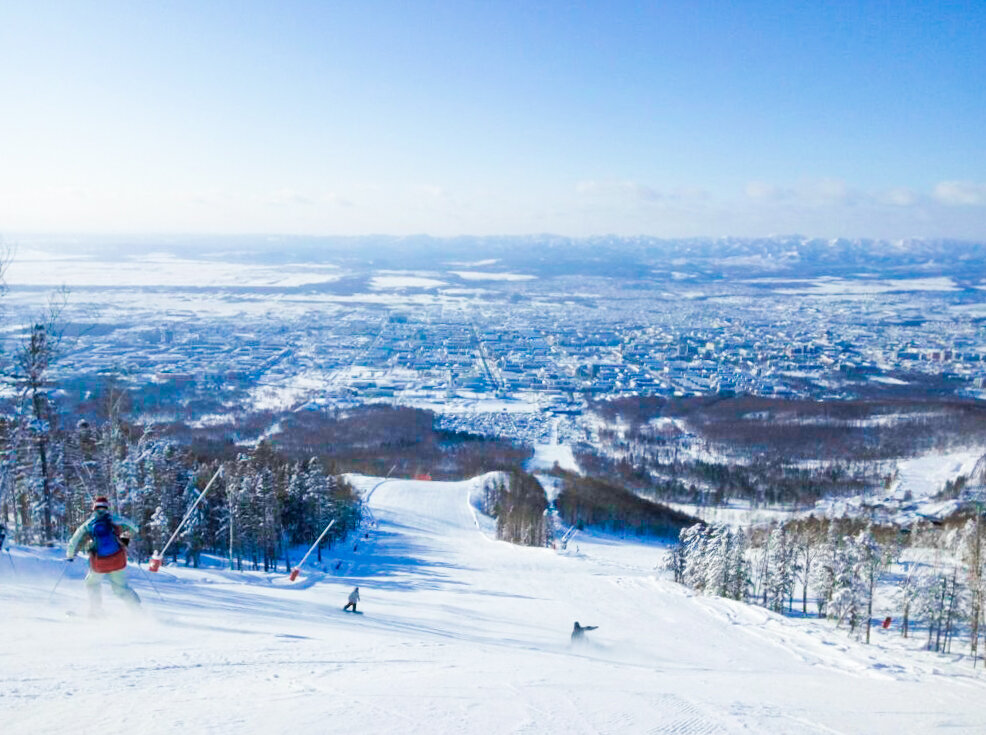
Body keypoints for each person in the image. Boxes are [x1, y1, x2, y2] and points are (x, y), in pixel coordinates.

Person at [66, 496, 141, 614]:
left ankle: (96, 611)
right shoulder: (115, 519)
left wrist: (70, 555)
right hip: (118, 560)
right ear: (107, 508)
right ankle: (138, 610)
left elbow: (74, 541)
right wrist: (124, 539)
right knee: (120, 588)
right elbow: (135, 528)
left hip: (99, 563)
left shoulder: (89, 524)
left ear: (94, 508)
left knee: (92, 583)